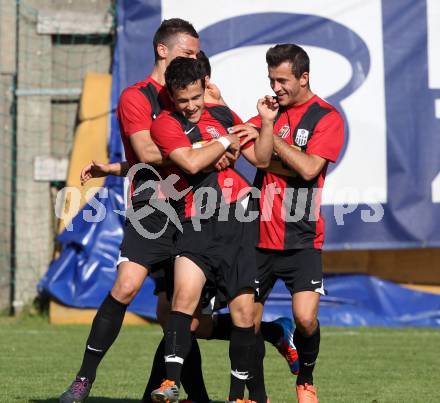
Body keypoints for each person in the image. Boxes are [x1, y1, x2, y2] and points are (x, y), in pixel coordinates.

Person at [59, 18, 211, 403]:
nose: (196, 59)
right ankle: (83, 379)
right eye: (188, 52)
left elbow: (224, 140)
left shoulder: (197, 93)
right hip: (153, 208)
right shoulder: (137, 97)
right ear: (163, 50)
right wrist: (198, 152)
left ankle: (182, 393)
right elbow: (144, 154)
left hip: (196, 207)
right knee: (126, 286)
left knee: (181, 316)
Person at [148, 56, 275, 403]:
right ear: (171, 97)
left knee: (244, 314)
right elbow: (189, 162)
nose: (189, 106)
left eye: (195, 97)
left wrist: (264, 125)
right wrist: (221, 144)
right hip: (195, 220)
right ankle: (169, 384)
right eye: (181, 100)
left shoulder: (221, 114)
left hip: (238, 220)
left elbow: (261, 160)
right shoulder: (164, 124)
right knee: (183, 299)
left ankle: (239, 397)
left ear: (206, 87)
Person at [246, 44, 344, 403]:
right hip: (258, 233)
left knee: (305, 319)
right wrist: (264, 136)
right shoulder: (269, 112)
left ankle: (305, 378)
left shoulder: (326, 117)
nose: (276, 88)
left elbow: (308, 168)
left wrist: (272, 139)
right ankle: (257, 395)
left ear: (304, 78)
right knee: (247, 323)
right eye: (272, 80)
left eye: (283, 80)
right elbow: (247, 148)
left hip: (302, 236)